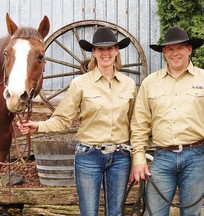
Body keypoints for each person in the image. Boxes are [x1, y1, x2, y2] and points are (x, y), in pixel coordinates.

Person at [17, 26, 136, 216]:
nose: (105, 53)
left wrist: (137, 158)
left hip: (120, 157)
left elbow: (135, 125)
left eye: (110, 48)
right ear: (94, 53)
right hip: (89, 156)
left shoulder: (129, 85)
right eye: (100, 49)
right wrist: (38, 126)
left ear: (116, 51)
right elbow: (62, 119)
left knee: (116, 212)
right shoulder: (80, 84)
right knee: (88, 212)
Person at [130, 26, 204, 216]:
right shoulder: (150, 83)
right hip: (162, 157)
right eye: (169, 49)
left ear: (189, 49)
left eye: (180, 48)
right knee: (154, 213)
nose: (175, 53)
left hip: (196, 157)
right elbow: (139, 125)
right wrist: (138, 157)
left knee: (191, 214)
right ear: (164, 52)